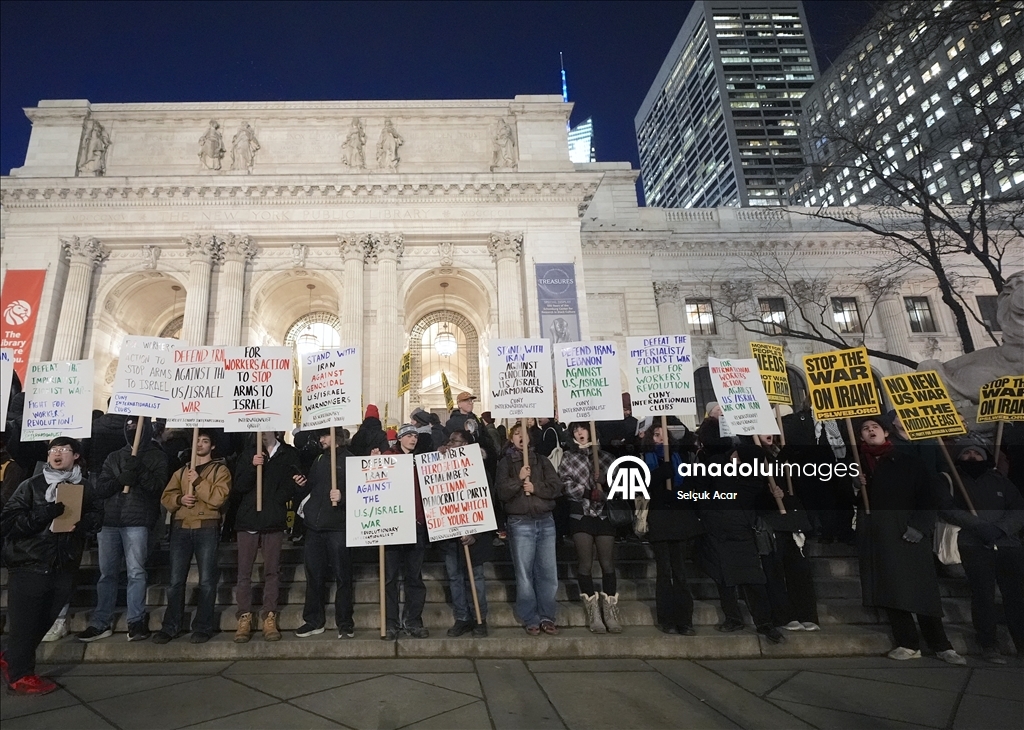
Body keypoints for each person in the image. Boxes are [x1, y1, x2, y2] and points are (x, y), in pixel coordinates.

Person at [856, 416, 966, 664]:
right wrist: (854, 485)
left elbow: (928, 496)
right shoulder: (855, 464)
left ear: (886, 432)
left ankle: (940, 644)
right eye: (864, 428)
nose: (870, 430)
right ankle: (907, 642)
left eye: (874, 426)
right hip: (879, 535)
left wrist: (920, 526)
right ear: (860, 437)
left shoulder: (909, 462)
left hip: (908, 531)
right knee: (892, 589)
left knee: (922, 588)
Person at [1, 437, 101, 695]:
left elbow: (97, 514)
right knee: (25, 622)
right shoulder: (31, 485)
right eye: (52, 450)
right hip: (30, 563)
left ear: (75, 456)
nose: (56, 454)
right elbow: (9, 523)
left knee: (44, 620)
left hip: (64, 564)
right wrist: (44, 514)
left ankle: (12, 658)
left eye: (63, 450)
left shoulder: (84, 487)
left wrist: (87, 522)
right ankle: (20, 675)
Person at [78, 417, 168, 643]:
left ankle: (135, 620)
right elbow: (102, 489)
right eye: (129, 428)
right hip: (110, 521)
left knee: (136, 573)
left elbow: (158, 488)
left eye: (136, 428)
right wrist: (121, 479)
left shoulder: (157, 456)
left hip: (137, 521)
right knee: (107, 574)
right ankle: (101, 621)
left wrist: (140, 471)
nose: (131, 431)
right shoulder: (114, 456)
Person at [937, 434, 1024, 664]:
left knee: (1016, 596)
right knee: (983, 596)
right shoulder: (951, 480)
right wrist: (980, 527)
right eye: (966, 452)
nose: (972, 456)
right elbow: (946, 509)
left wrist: (1001, 530)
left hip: (1008, 545)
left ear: (985, 456)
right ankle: (989, 644)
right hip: (973, 544)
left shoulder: (1001, 482)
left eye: (976, 452)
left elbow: (1018, 509)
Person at [692, 436, 785, 644]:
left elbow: (757, 498)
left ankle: (764, 622)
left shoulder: (753, 471)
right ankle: (733, 618)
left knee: (753, 578)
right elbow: (700, 490)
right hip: (718, 529)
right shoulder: (715, 464)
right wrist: (709, 512)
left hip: (743, 529)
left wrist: (773, 495)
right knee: (725, 578)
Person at [153, 429, 231, 644]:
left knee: (207, 580)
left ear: (212, 446)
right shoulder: (181, 472)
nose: (200, 445)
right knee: (175, 581)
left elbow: (218, 499)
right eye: (198, 441)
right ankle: (171, 626)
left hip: (207, 526)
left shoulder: (220, 471)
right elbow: (166, 497)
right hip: (181, 527)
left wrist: (197, 482)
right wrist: (179, 500)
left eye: (205, 441)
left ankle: (203, 626)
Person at [232, 431, 303, 643]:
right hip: (248, 519)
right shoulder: (248, 453)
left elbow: (295, 482)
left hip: (273, 519)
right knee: (244, 571)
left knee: (272, 570)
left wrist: (277, 501)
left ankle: (269, 615)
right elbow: (239, 486)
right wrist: (252, 466)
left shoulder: (288, 454)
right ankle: (244, 616)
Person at [496, 422, 563, 635]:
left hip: (545, 520)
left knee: (547, 572)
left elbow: (556, 487)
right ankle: (530, 617)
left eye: (524, 433)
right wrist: (519, 480)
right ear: (511, 438)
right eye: (516, 434)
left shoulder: (542, 461)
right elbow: (502, 493)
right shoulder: (505, 463)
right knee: (524, 574)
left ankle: (547, 615)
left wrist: (536, 488)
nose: (521, 437)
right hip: (519, 522)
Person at [753, 434, 820, 633]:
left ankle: (807, 614)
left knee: (800, 569)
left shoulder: (785, 455)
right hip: (772, 519)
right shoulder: (755, 457)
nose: (769, 433)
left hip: (794, 518)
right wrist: (769, 495)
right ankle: (784, 615)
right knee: (775, 570)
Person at [558, 422, 621, 633]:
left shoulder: (606, 457)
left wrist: (606, 481)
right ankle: (593, 611)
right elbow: (563, 482)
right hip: (581, 514)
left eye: (583, 429)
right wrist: (585, 492)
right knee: (585, 562)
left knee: (607, 562)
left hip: (603, 514)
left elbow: (621, 484)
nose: (579, 433)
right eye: (576, 430)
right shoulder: (569, 457)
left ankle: (610, 611)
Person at [294, 429, 356, 639]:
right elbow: (313, 488)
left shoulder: (350, 460)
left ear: (337, 438)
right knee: (314, 575)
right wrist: (301, 486)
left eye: (324, 436)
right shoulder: (319, 459)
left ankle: (345, 623)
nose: (320, 440)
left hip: (338, 527)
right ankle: (313, 620)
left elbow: (363, 491)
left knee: (343, 576)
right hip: (315, 527)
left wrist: (343, 497)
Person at [642, 423, 703, 635]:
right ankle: (666, 619)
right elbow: (643, 484)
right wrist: (661, 474)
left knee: (680, 572)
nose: (660, 438)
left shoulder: (679, 457)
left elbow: (689, 484)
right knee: (664, 571)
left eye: (663, 434)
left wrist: (679, 492)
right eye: (656, 435)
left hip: (679, 518)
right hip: (659, 518)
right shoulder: (646, 458)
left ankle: (684, 620)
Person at [440, 430, 493, 637]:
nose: (453, 445)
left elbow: (486, 503)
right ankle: (462, 618)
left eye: (458, 442)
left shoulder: (479, 469)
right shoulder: (440, 468)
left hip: (474, 535)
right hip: (449, 534)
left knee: (476, 577)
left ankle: (480, 617)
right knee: (454, 577)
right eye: (451, 441)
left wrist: (475, 533)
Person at [383, 424, 430, 639]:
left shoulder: (421, 460)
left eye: (415, 436)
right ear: (399, 438)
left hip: (416, 524)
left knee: (414, 577)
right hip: (392, 526)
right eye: (409, 435)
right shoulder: (387, 457)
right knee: (390, 577)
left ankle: (413, 620)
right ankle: (391, 622)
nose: (413, 439)